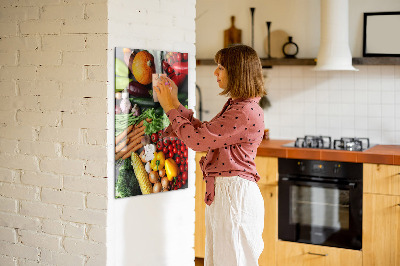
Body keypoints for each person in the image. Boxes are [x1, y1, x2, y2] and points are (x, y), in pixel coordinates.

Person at [154, 44, 266, 266]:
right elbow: (204, 133)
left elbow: (197, 141)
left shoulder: (243, 111)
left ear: (237, 72)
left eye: (221, 67)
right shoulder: (239, 106)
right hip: (229, 193)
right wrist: (176, 104)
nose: (215, 72)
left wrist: (169, 108)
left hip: (234, 196)